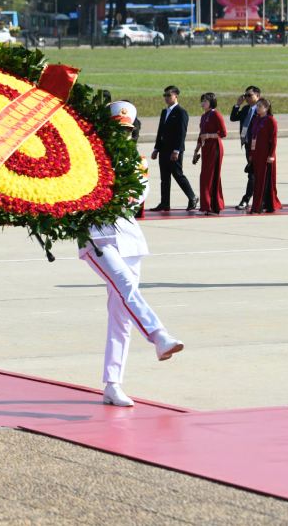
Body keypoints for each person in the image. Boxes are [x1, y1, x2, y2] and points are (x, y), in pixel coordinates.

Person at [80, 101, 185, 407]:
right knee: (126, 287)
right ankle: (158, 334)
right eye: (116, 130)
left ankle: (113, 383)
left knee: (122, 315)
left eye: (126, 131)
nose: (122, 136)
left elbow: (136, 195)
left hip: (128, 237)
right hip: (97, 235)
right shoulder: (88, 158)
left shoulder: (136, 161)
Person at [150, 85, 197, 212]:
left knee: (177, 174)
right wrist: (156, 149)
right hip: (163, 150)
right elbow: (160, 131)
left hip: (174, 151)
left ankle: (192, 197)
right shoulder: (165, 112)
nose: (166, 98)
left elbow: (182, 133)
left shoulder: (181, 112)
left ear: (176, 96)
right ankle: (165, 203)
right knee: (164, 178)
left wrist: (177, 150)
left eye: (168, 95)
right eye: (164, 95)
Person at [192, 92, 227, 215]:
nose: (203, 103)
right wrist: (196, 150)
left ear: (211, 102)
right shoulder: (204, 116)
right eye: (202, 101)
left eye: (205, 101)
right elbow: (201, 134)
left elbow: (223, 133)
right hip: (205, 149)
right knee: (205, 177)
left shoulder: (216, 114)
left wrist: (209, 135)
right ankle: (206, 205)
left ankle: (211, 206)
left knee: (210, 177)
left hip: (214, 148)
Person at [230, 86, 261, 210]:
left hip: (258, 146)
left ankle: (247, 199)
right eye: (246, 95)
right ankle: (254, 199)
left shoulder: (261, 109)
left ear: (257, 96)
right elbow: (233, 118)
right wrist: (237, 104)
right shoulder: (246, 108)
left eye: (250, 95)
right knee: (252, 173)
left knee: (253, 173)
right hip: (247, 145)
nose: (247, 98)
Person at [250, 98, 281, 214]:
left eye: (260, 106)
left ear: (267, 108)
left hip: (265, 155)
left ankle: (259, 205)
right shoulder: (256, 120)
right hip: (256, 154)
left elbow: (273, 140)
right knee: (257, 179)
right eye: (257, 106)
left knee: (263, 180)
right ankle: (260, 203)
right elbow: (253, 137)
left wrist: (271, 155)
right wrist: (251, 154)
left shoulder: (271, 121)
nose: (258, 108)